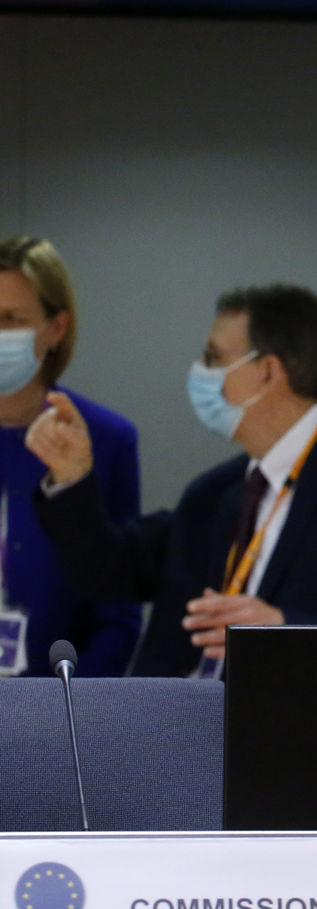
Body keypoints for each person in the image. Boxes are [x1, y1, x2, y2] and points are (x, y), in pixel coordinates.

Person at [27, 283, 317, 678]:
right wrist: (70, 477)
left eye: (214, 358)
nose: (200, 372)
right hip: (176, 715)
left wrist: (286, 632)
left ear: (268, 372)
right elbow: (109, 570)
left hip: (287, 720)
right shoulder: (214, 492)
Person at [0, 236, 141, 677]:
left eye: (10, 319)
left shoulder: (105, 439)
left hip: (57, 700)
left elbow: (118, 613)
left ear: (56, 328)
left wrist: (70, 707)